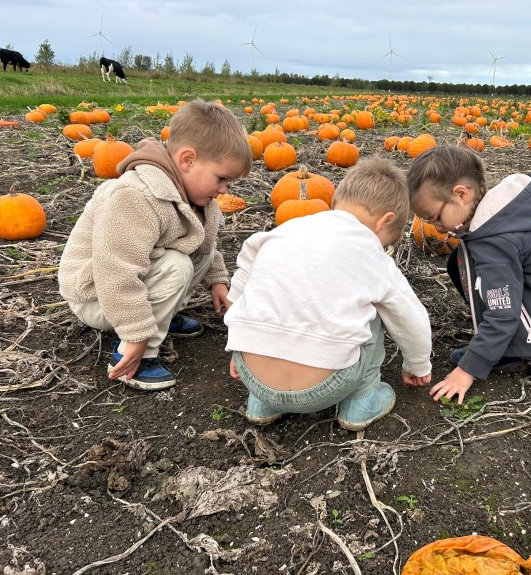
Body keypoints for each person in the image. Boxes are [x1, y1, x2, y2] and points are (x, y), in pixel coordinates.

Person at [225, 157, 433, 431]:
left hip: (252, 376)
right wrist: (418, 366)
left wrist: (239, 343)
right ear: (385, 221)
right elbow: (411, 320)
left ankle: (263, 404)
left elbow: (240, 286)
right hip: (325, 387)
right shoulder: (372, 254)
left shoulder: (280, 233)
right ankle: (362, 402)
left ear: (336, 202)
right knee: (378, 310)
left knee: (273, 288)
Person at [58, 99, 252, 391]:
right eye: (221, 179)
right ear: (188, 160)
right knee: (176, 266)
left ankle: (160, 317)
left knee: (200, 251)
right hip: (96, 296)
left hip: (126, 284)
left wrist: (217, 281)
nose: (224, 189)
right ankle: (135, 355)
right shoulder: (136, 196)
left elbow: (204, 243)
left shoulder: (192, 194)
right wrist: (137, 334)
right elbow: (116, 272)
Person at [407, 145, 531, 404]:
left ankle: (517, 350)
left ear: (461, 194)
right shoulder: (515, 209)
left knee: (472, 267)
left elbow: (503, 314)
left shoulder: (495, 242)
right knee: (459, 260)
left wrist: (469, 368)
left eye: (435, 217)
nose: (436, 227)